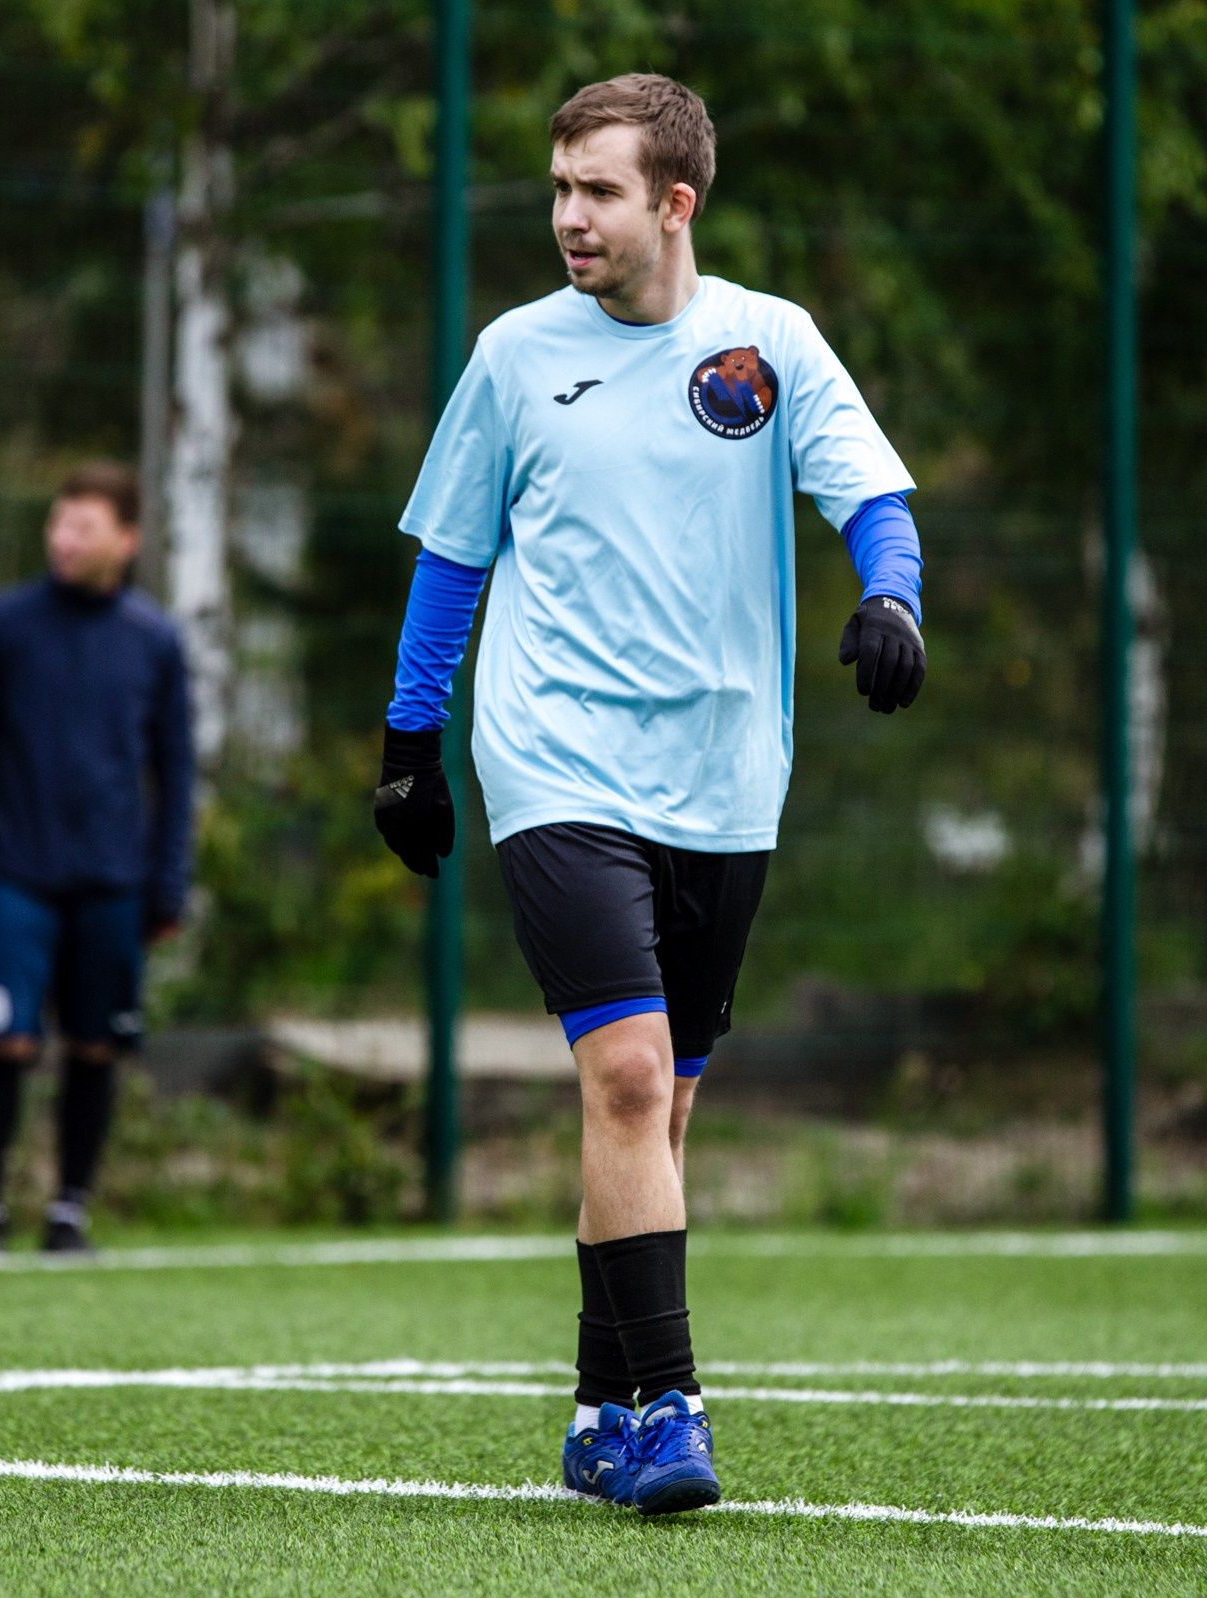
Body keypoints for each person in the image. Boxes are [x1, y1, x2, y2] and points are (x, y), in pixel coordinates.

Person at [370, 75, 926, 1516]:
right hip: (554, 762)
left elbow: (872, 495)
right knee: (621, 1079)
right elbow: (451, 559)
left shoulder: (771, 343)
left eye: (597, 191)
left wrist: (894, 602)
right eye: (559, 189)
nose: (568, 217)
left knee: (658, 1126)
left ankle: (592, 1410)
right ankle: (669, 1413)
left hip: (727, 778)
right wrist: (410, 741)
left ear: (676, 203)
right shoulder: (510, 358)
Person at [0, 463, 194, 1256]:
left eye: (81, 526)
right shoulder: (2, 625)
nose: (63, 539)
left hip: (113, 883)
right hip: (14, 877)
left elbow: (176, 770)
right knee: (7, 1040)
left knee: (95, 1046)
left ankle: (69, 1208)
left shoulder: (155, 640)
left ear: (127, 538)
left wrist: (167, 879)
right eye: (57, 523)